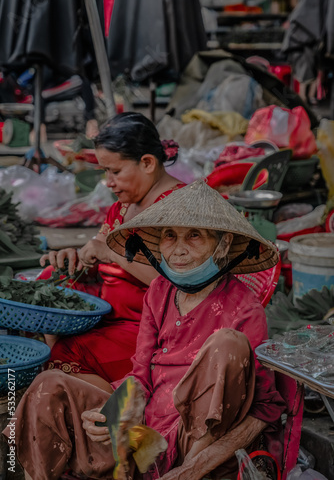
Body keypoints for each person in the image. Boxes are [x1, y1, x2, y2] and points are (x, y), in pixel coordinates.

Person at [4, 180, 286, 480]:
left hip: (197, 446)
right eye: (169, 236)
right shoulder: (159, 291)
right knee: (48, 385)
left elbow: (264, 410)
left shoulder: (244, 307)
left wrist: (191, 470)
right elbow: (140, 376)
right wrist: (113, 414)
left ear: (224, 244)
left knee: (227, 343)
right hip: (145, 438)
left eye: (194, 236)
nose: (178, 248)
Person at [38, 111, 184, 392]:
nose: (108, 181)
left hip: (151, 325)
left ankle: (123, 411)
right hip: (112, 308)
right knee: (50, 281)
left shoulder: (177, 211)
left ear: (147, 163)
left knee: (67, 355)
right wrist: (76, 257)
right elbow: (97, 253)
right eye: (106, 171)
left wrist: (111, 254)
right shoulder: (127, 203)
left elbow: (179, 282)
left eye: (115, 171)